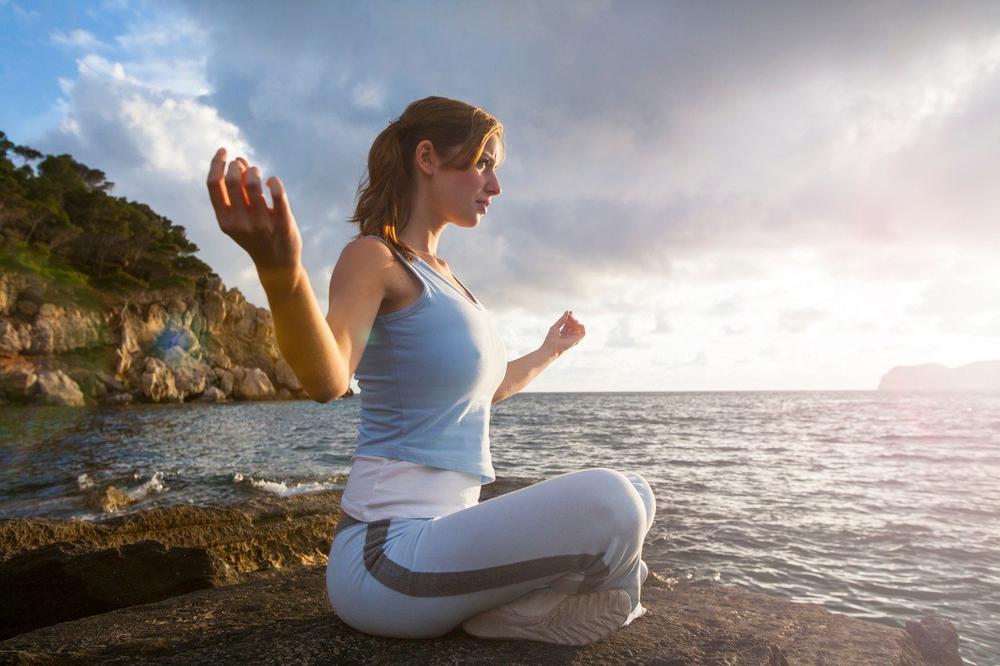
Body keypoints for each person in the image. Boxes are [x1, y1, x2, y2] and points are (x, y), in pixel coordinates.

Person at [206, 96, 656, 645]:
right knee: (613, 502)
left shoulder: (450, 279)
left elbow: (484, 391)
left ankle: (511, 610)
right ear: (428, 158)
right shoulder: (374, 257)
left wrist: (549, 351)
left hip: (443, 538)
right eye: (484, 164)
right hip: (383, 555)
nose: (495, 187)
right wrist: (282, 273)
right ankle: (537, 602)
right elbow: (329, 380)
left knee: (638, 490)